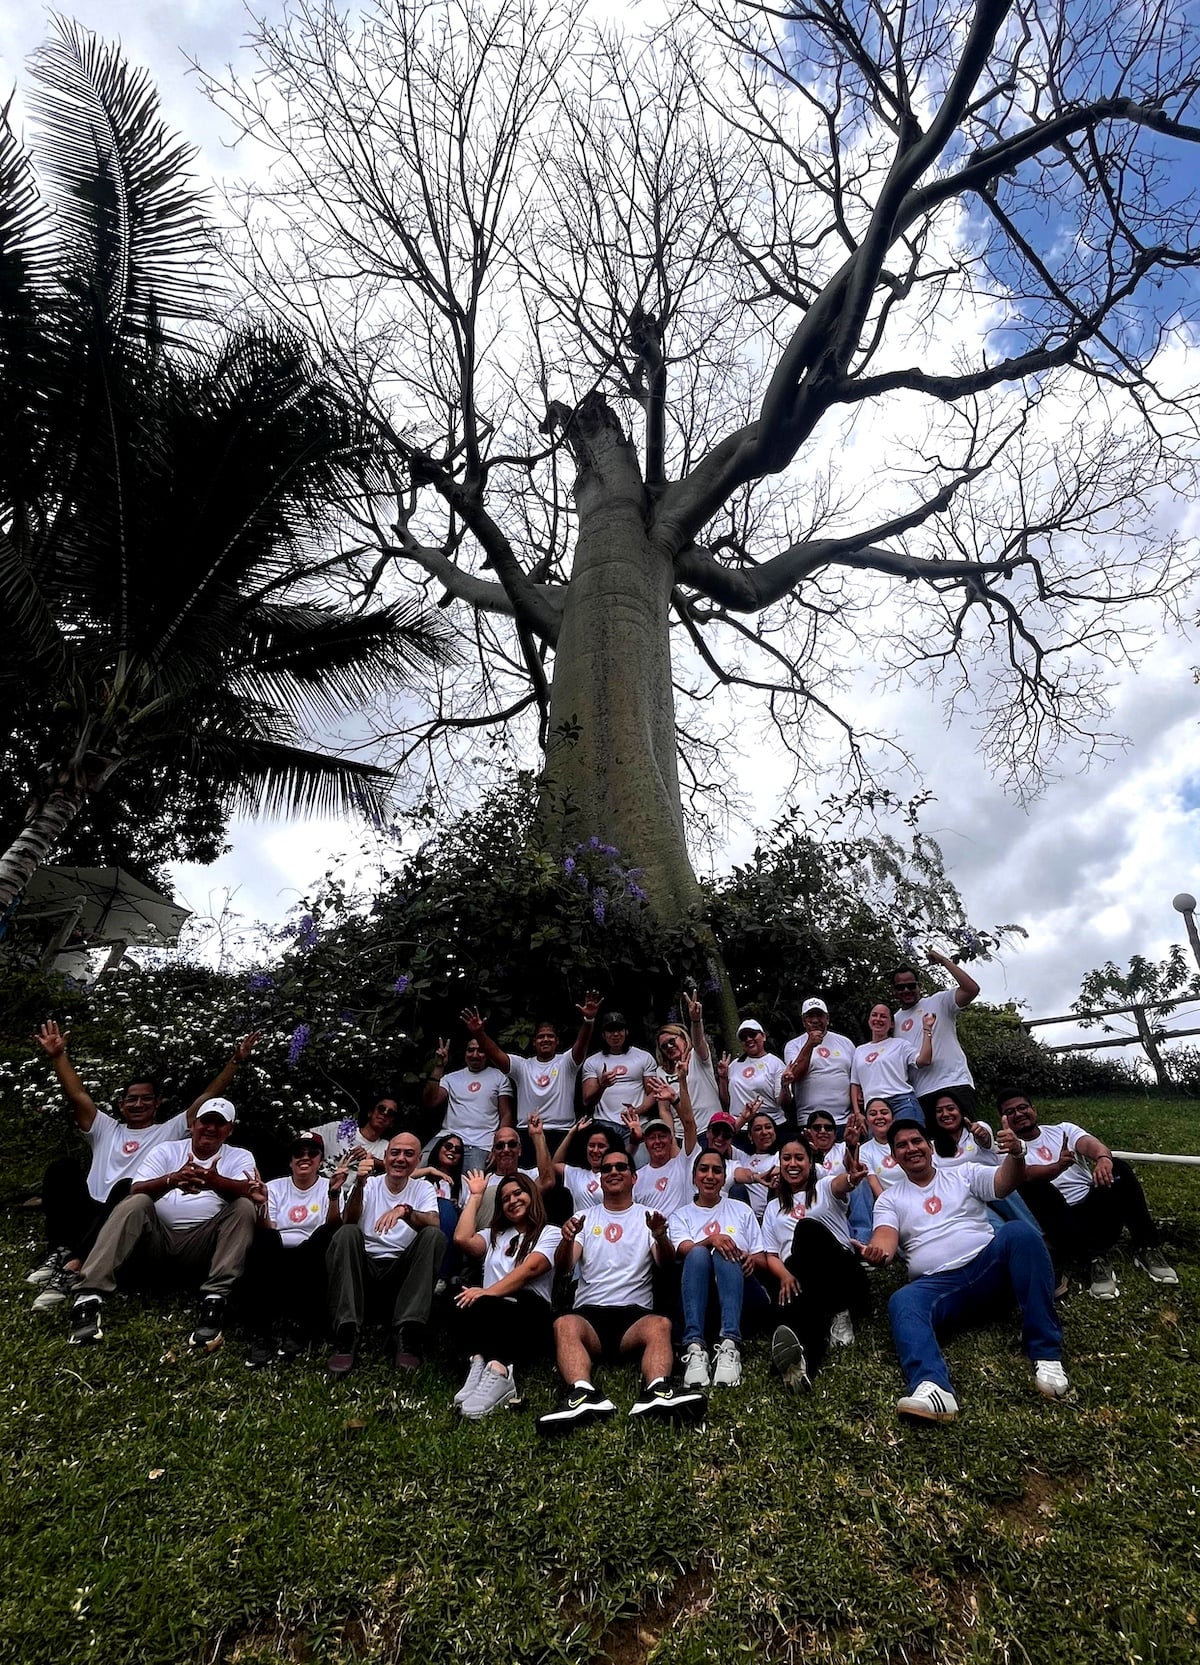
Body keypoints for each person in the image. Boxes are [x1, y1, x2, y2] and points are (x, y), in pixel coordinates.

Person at [27, 1020, 258, 1309]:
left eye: (146, 1099)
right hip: (93, 1210)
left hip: (130, 1210)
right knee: (62, 1169)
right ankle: (60, 1253)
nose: (138, 1104)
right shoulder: (105, 1129)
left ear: (158, 1102)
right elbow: (78, 1096)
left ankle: (74, 1265)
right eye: (131, 1100)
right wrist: (58, 1056)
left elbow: (207, 1099)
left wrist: (235, 1061)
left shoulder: (169, 1132)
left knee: (128, 1189)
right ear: (121, 1105)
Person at [861, 1119, 1068, 1422]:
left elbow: (1002, 1183)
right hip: (940, 1289)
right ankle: (933, 1387)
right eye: (901, 1145)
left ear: (930, 1147)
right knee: (902, 1300)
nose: (911, 1148)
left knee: (1018, 1233)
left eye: (916, 1141)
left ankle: (1046, 1353)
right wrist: (877, 1253)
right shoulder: (890, 1198)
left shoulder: (963, 1173)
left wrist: (1016, 1154)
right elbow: (885, 1238)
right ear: (893, 1157)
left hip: (989, 1269)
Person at [66, 1097, 259, 1348]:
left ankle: (215, 1299)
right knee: (135, 1203)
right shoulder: (167, 1150)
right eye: (205, 1121)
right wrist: (173, 1180)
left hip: (202, 1244)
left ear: (229, 1129)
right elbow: (136, 1187)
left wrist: (214, 1181)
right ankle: (88, 1297)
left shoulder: (239, 1156)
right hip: (157, 1238)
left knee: (244, 1207)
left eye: (219, 1124)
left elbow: (250, 1190)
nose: (210, 1128)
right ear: (193, 1124)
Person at [536, 1149, 705, 1430]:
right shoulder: (584, 1218)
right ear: (601, 1179)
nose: (613, 1172)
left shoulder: (649, 1218)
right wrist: (567, 1239)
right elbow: (565, 1268)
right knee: (564, 1324)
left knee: (661, 1325)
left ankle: (657, 1390)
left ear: (633, 1177)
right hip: (590, 1315)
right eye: (607, 1169)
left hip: (634, 1317)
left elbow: (665, 1263)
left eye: (621, 1167)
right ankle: (582, 1394)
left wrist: (660, 1236)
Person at [996, 1087, 1178, 1297]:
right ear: (1004, 1119)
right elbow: (1027, 1175)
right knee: (1033, 1186)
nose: (1018, 1114)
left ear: (1033, 1109)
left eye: (1022, 1107)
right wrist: (1057, 1168)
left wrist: (1103, 1159)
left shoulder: (1062, 1130)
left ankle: (1146, 1247)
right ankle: (1094, 1260)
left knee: (1118, 1167)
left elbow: (1092, 1145)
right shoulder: (1007, 1150)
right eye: (1010, 1112)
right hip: (1061, 1225)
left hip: (1097, 1212)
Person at [324, 1131, 445, 1375]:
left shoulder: (422, 1189)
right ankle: (347, 1331)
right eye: (395, 1152)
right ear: (386, 1156)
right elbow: (349, 1219)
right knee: (347, 1234)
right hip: (365, 1267)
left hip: (401, 1271)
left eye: (409, 1154)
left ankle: (406, 1331)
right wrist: (358, 1184)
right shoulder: (369, 1183)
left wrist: (405, 1211)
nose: (401, 1159)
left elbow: (434, 1223)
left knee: (433, 1236)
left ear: (419, 1159)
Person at [762, 1132, 871, 1385]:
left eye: (799, 1158)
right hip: (798, 1276)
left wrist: (853, 1177)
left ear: (811, 1163)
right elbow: (770, 1253)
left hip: (840, 1271)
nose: (792, 1164)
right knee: (795, 1309)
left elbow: (844, 1183)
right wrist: (784, 1275)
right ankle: (801, 1367)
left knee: (806, 1230)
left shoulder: (824, 1187)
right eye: (786, 1158)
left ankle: (840, 1311)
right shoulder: (772, 1208)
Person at [451, 1172, 562, 1418]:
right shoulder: (495, 1234)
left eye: (518, 1193)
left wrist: (486, 1293)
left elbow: (530, 1270)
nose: (512, 1201)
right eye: (505, 1198)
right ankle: (479, 1364)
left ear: (532, 1195)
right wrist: (476, 1196)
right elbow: (461, 1239)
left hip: (528, 1312)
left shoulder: (550, 1233)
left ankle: (501, 1373)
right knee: (456, 1297)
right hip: (489, 1309)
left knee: (491, 1304)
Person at [242, 1129, 348, 1366]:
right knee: (265, 1239)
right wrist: (261, 1205)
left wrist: (333, 1195)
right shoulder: (275, 1186)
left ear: (320, 1160)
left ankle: (299, 1328)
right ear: (290, 1160)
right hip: (280, 1250)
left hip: (312, 1253)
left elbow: (333, 1226)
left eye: (312, 1153)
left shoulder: (329, 1186)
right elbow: (268, 1227)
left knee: (323, 1236)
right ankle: (262, 1332)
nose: (305, 1157)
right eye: (298, 1153)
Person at [670, 1149, 766, 1389]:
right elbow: (683, 1250)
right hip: (699, 1301)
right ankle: (695, 1349)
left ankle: (729, 1346)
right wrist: (713, 1239)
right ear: (694, 1177)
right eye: (703, 1169)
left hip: (740, 1295)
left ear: (724, 1178)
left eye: (717, 1170)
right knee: (702, 1252)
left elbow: (761, 1256)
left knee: (727, 1251)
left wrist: (749, 1259)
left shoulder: (741, 1210)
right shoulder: (680, 1216)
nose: (710, 1176)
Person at [462, 992, 602, 1151]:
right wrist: (479, 1033)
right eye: (541, 1037)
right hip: (527, 1132)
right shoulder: (522, 1066)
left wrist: (589, 1020)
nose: (546, 1039)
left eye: (550, 1036)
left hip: (562, 1132)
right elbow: (495, 1053)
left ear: (557, 1042)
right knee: (527, 1176)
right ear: (534, 1043)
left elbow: (582, 1043)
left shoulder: (566, 1062)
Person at [892, 951, 981, 1119]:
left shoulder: (939, 1001)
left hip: (954, 1083)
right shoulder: (893, 1021)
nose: (906, 990)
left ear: (919, 986)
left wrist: (943, 961)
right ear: (894, 991)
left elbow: (971, 989)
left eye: (911, 985)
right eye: (900, 987)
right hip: (921, 1093)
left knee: (968, 1140)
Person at [422, 1036, 514, 1171]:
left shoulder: (499, 1077)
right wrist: (439, 1066)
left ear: (487, 1054)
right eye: (470, 1050)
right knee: (417, 1168)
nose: (475, 1055)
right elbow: (431, 1101)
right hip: (447, 1137)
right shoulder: (451, 1078)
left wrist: (498, 1145)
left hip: (482, 1143)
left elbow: (506, 1114)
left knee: (473, 1186)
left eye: (480, 1051)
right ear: (465, 1053)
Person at [628, 1050, 700, 1219]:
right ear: (645, 1142)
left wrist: (677, 1091)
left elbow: (689, 1124)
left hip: (683, 1232)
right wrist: (633, 1140)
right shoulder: (637, 1177)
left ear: (671, 1139)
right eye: (652, 1137)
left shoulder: (683, 1163)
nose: (658, 1141)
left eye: (662, 1136)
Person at [652, 991, 723, 1136]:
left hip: (711, 1129)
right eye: (664, 1046)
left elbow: (698, 1040)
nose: (669, 1047)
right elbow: (664, 1110)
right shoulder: (661, 1072)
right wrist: (671, 1140)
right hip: (683, 1135)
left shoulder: (698, 1056)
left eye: (672, 1041)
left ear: (683, 1039)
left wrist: (696, 1021)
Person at [850, 1004, 934, 1123]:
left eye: (883, 1016)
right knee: (878, 1142)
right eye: (874, 1015)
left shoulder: (900, 1045)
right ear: (869, 1020)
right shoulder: (859, 1050)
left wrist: (927, 1030)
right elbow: (855, 1084)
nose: (878, 1019)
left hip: (901, 1102)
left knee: (910, 1139)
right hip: (874, 1108)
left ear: (892, 1023)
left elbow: (924, 1060)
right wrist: (858, 1113)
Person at [581, 1011, 658, 1139]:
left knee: (640, 1159)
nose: (615, 1034)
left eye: (619, 1029)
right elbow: (587, 1100)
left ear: (626, 1032)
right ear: (603, 1035)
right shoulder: (592, 1061)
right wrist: (602, 1085)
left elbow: (654, 1092)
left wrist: (636, 1111)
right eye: (610, 1030)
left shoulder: (644, 1057)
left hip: (638, 1122)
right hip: (604, 1124)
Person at [783, 999, 855, 1132]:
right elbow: (795, 1076)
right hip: (809, 1121)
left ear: (827, 1018)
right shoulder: (793, 1045)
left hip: (844, 1120)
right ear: (804, 1021)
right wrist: (810, 1044)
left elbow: (855, 1080)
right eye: (810, 1016)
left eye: (819, 1015)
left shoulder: (846, 1043)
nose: (815, 1020)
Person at [311, 1096, 398, 1182]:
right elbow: (303, 1136)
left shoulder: (387, 1147)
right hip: (320, 1188)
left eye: (391, 1113)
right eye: (381, 1109)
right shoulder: (339, 1128)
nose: (385, 1113)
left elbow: (398, 1170)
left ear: (392, 1123)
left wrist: (372, 1161)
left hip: (354, 1194)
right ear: (370, 1113)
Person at [722, 1019, 789, 1126]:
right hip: (739, 1125)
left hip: (770, 1124)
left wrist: (784, 1085)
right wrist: (722, 1077)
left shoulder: (775, 1063)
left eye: (753, 1035)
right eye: (744, 1037)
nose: (749, 1039)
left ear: (763, 1036)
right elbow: (726, 1100)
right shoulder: (734, 1065)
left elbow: (782, 1102)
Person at [550, 1118, 626, 1212]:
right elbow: (555, 1164)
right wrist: (571, 1133)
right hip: (581, 1225)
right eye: (591, 1145)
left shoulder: (616, 1176)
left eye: (601, 1146)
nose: (595, 1150)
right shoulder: (577, 1175)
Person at [730, 1110, 781, 1219]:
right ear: (750, 1136)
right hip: (748, 1217)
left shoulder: (781, 1156)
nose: (764, 1132)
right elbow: (724, 1138)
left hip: (773, 1214)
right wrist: (743, 1118)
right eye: (758, 1129)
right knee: (736, 1189)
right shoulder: (743, 1158)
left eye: (768, 1127)